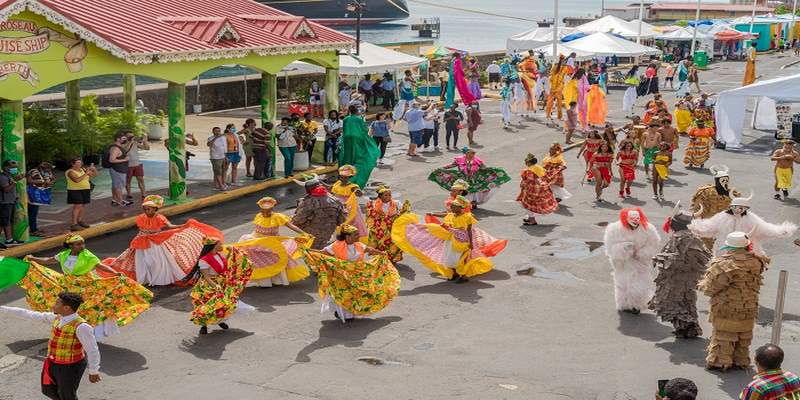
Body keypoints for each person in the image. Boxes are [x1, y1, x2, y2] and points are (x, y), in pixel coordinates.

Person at [23, 234, 153, 340]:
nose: (82, 246)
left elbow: (99, 265)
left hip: (86, 284)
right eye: (78, 243)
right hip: (68, 284)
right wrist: (33, 259)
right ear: (71, 246)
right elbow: (48, 260)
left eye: (82, 243)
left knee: (93, 305)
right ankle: (71, 329)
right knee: (62, 303)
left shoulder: (87, 255)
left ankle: (90, 332)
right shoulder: (63, 255)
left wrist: (114, 273)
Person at [0, 292, 102, 400]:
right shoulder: (57, 318)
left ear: (66, 308)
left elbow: (92, 350)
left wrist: (93, 371)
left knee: (67, 395)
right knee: (47, 389)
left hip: (71, 367)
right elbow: (28, 314)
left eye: (57, 303)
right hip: (53, 362)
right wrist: (2, 309)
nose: (53, 305)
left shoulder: (82, 327)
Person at [104, 195, 222, 286]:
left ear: (155, 209)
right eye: (145, 209)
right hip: (141, 241)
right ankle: (146, 278)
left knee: (156, 261)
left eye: (149, 209)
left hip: (156, 242)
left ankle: (157, 279)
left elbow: (169, 227)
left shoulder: (160, 218)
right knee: (143, 262)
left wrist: (183, 226)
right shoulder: (140, 218)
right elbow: (142, 229)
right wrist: (145, 234)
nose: (146, 211)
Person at [392, 195, 507, 283]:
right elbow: (446, 215)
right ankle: (455, 274)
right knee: (449, 257)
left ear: (460, 208)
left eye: (453, 206)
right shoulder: (453, 214)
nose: (451, 207)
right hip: (451, 240)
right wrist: (433, 214)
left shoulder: (467, 217)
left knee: (462, 258)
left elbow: (468, 231)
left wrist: (471, 244)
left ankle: (464, 276)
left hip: (462, 241)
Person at [699, 231, 767, 371]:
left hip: (727, 307)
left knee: (724, 335)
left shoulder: (724, 264)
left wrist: (703, 286)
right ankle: (740, 359)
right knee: (743, 335)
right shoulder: (757, 261)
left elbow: (712, 287)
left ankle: (721, 361)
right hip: (749, 306)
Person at [305, 223, 399, 322]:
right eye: (355, 234)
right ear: (347, 236)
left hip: (358, 274)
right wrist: (309, 251)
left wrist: (381, 253)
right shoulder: (335, 246)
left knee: (359, 293)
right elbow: (322, 253)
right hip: (342, 275)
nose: (358, 236)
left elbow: (369, 250)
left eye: (357, 234)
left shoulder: (359, 245)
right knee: (345, 295)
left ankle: (354, 311)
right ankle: (343, 313)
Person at [648, 206, 710, 338]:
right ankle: (686, 329)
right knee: (686, 301)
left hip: (676, 277)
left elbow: (678, 258)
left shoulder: (680, 237)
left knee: (667, 301)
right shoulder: (692, 236)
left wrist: (660, 258)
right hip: (687, 278)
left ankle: (688, 324)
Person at [233, 196, 310, 287]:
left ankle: (276, 280)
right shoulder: (259, 216)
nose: (265, 212)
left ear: (272, 208)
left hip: (272, 243)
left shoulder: (277, 217)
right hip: (257, 242)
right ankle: (263, 282)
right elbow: (256, 230)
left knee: (279, 259)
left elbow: (291, 226)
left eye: (268, 210)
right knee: (253, 259)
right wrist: (249, 239)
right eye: (263, 210)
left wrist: (304, 233)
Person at [182, 237, 253, 335]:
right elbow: (206, 277)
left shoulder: (218, 255)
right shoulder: (204, 260)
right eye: (220, 244)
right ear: (214, 246)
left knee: (222, 304)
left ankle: (220, 321)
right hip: (208, 286)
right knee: (207, 306)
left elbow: (224, 265)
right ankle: (204, 326)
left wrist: (231, 253)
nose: (222, 246)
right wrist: (215, 286)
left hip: (220, 283)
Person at [690, 193, 797, 256]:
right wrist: (694, 226)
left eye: (743, 208)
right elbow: (709, 227)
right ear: (732, 207)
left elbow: (765, 228)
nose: (739, 209)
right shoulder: (722, 216)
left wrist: (781, 231)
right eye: (737, 207)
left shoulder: (751, 218)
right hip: (724, 249)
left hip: (745, 250)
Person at [602, 208, 661, 314]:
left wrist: (641, 253)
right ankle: (624, 305)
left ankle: (636, 305)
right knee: (622, 283)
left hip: (640, 262)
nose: (635, 221)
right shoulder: (614, 229)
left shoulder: (648, 228)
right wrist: (624, 248)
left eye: (637, 218)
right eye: (632, 219)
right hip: (623, 263)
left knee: (639, 284)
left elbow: (654, 243)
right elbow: (610, 247)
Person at [428, 147, 511, 208]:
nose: (473, 155)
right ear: (466, 154)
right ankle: (463, 203)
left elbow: (483, 168)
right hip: (462, 179)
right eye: (471, 153)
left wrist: (492, 170)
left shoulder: (477, 160)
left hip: (474, 179)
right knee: (463, 191)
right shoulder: (459, 160)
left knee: (474, 191)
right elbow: (451, 166)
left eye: (473, 153)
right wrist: (441, 168)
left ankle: (473, 203)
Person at [690, 165, 740, 250]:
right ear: (717, 181)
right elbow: (697, 207)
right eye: (723, 180)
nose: (725, 183)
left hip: (726, 225)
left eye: (727, 180)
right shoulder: (706, 192)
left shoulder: (733, 194)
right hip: (709, 223)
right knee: (707, 245)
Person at [291, 176, 346, 250]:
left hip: (311, 233)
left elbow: (297, 221)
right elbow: (342, 219)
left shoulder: (308, 202)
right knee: (320, 250)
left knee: (312, 252)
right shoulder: (334, 199)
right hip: (328, 232)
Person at [517, 153, 565, 226]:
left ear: (529, 162)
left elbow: (528, 180)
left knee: (527, 204)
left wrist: (522, 184)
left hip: (532, 189)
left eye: (526, 161)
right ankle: (530, 218)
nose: (525, 163)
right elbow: (547, 175)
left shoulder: (528, 170)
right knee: (531, 204)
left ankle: (532, 220)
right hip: (541, 188)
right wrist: (559, 168)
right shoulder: (538, 167)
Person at [366, 186, 411, 263]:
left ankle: (392, 259)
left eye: (389, 195)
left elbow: (403, 212)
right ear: (380, 196)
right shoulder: (374, 204)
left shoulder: (396, 203)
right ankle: (381, 257)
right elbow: (371, 216)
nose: (388, 197)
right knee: (381, 243)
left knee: (393, 243)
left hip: (392, 226)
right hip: (380, 227)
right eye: (386, 195)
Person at [339, 105, 381, 188]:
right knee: (360, 155)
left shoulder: (345, 119)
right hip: (357, 138)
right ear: (356, 111)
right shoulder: (359, 119)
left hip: (347, 138)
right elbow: (364, 129)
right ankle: (354, 173)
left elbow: (343, 130)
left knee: (348, 154)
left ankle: (347, 169)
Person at [331, 165, 368, 242]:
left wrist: (358, 192)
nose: (343, 179)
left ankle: (355, 238)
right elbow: (330, 188)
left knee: (354, 222)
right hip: (339, 207)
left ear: (350, 177)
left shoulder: (353, 186)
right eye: (342, 177)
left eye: (346, 177)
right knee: (340, 222)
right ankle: (342, 238)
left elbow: (359, 193)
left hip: (350, 208)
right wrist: (320, 183)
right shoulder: (337, 184)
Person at [65, 158, 96, 232]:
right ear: (73, 164)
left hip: (85, 189)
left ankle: (79, 220)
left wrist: (93, 169)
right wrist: (86, 173)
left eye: (80, 162)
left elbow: (94, 175)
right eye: (78, 163)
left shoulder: (83, 169)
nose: (80, 164)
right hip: (74, 190)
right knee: (77, 205)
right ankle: (74, 224)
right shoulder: (70, 172)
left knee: (82, 205)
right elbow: (76, 180)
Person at [26, 161, 55, 237]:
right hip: (33, 194)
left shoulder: (44, 173)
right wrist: (42, 181)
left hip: (38, 194)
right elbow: (29, 181)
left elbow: (50, 181)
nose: (48, 170)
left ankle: (34, 228)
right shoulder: (33, 171)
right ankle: (33, 230)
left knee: (34, 212)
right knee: (32, 212)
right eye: (47, 169)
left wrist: (49, 180)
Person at [0, 159, 23, 246]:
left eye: (16, 167)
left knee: (7, 221)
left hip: (10, 202)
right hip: (4, 203)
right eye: (12, 167)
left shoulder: (9, 176)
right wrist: (15, 181)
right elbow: (6, 189)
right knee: (2, 222)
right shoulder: (2, 177)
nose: (15, 169)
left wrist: (16, 196)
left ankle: (9, 240)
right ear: (6, 167)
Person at [107, 131, 132, 206]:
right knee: (118, 186)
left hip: (119, 169)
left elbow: (125, 150)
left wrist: (130, 142)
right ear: (118, 139)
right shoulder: (115, 148)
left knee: (116, 185)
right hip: (117, 169)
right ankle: (121, 201)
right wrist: (125, 160)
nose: (125, 140)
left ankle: (116, 200)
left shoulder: (118, 147)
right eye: (124, 138)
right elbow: (111, 159)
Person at [124, 132, 149, 201]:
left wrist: (145, 140)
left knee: (141, 179)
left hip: (137, 164)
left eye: (132, 136)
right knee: (128, 181)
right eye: (130, 136)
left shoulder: (135, 143)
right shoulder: (123, 144)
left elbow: (147, 148)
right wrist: (130, 142)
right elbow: (125, 150)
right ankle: (129, 194)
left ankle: (143, 194)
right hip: (128, 165)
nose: (132, 137)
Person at [546, 55, 566, 121]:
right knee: (558, 103)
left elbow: (551, 77)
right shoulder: (563, 68)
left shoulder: (556, 67)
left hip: (554, 87)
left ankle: (548, 115)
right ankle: (559, 117)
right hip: (558, 88)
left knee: (550, 102)